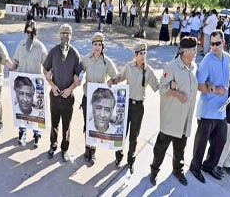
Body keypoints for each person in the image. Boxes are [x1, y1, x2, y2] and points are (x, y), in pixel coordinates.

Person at [150, 37, 198, 186]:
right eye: (193, 50)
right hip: (171, 118)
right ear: (184, 51)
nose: (195, 52)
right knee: (161, 148)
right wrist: (177, 93)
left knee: (180, 149)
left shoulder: (193, 67)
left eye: (195, 49)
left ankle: (178, 170)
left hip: (185, 118)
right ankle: (154, 171)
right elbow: (162, 89)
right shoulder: (171, 67)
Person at [190, 29, 230, 183]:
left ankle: (209, 166)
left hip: (222, 110)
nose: (214, 47)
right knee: (201, 142)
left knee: (220, 140)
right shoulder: (207, 60)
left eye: (217, 43)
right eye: (212, 44)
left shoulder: (228, 58)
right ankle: (195, 167)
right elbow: (199, 85)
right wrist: (215, 89)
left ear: (224, 43)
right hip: (208, 109)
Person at [111, 41, 159, 174]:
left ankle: (130, 161)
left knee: (134, 136)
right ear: (135, 55)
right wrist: (112, 81)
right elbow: (120, 77)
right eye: (140, 54)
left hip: (138, 107)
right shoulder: (129, 67)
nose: (143, 56)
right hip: (125, 104)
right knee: (121, 133)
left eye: (145, 53)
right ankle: (118, 157)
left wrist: (170, 81)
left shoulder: (148, 71)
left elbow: (157, 86)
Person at [43, 24, 83, 161]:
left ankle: (64, 149)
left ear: (71, 36)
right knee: (54, 124)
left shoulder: (74, 54)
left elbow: (79, 76)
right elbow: (45, 68)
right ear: (59, 35)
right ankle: (52, 146)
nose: (65, 36)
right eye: (63, 33)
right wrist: (52, 85)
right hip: (55, 95)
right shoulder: (53, 52)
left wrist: (70, 89)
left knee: (66, 125)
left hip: (68, 97)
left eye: (68, 34)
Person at [81, 32, 118, 164]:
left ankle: (94, 150)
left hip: (100, 99)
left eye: (99, 45)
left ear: (103, 46)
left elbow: (116, 77)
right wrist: (78, 79)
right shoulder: (86, 59)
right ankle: (87, 147)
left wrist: (111, 82)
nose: (97, 47)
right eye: (95, 44)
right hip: (88, 97)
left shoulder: (107, 62)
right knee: (88, 124)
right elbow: (79, 73)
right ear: (92, 46)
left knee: (97, 126)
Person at [12, 19, 48, 147]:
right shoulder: (20, 46)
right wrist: (10, 68)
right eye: (27, 31)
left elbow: (46, 66)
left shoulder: (40, 47)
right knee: (22, 111)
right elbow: (15, 63)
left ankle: (36, 134)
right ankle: (22, 132)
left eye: (31, 31)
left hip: (35, 87)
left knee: (35, 111)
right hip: (22, 85)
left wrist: (49, 75)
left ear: (35, 32)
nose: (29, 34)